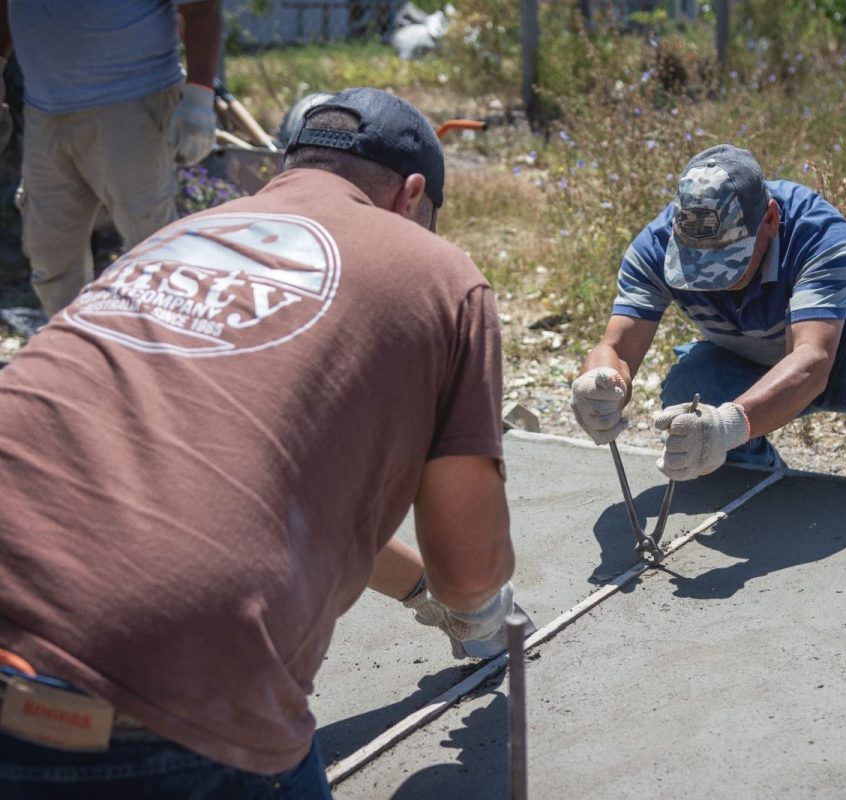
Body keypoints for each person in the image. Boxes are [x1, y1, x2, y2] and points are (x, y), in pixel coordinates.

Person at [0, 88, 523, 798]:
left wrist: (420, 596)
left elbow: (264, 493)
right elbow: (472, 569)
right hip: (147, 685)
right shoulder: (442, 277)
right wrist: (479, 609)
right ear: (412, 196)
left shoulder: (180, 237)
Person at [572, 144, 846, 492]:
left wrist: (726, 425)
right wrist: (600, 385)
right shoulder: (654, 248)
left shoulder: (816, 230)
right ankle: (759, 493)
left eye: (729, 260)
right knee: (690, 388)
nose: (713, 282)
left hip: (839, 348)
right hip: (747, 362)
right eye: (694, 263)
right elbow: (616, 347)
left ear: (771, 219)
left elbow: (813, 360)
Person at [0, 0, 221, 318]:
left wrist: (199, 97)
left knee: (155, 250)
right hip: (44, 112)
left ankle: (167, 352)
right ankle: (74, 353)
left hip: (132, 104)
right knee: (50, 257)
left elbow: (201, 8)